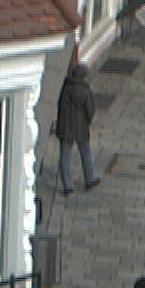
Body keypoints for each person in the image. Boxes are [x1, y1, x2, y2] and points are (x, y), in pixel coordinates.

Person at [55, 59, 100, 195]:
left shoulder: (65, 87)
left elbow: (60, 105)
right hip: (81, 126)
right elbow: (90, 110)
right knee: (85, 152)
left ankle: (67, 185)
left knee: (65, 155)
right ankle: (89, 178)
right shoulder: (85, 90)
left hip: (65, 126)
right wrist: (89, 122)